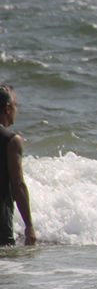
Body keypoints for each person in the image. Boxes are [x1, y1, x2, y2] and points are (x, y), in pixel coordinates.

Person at [1, 84, 36, 246]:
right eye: (16, 105)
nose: (17, 110)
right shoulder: (11, 141)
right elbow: (18, 186)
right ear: (8, 109)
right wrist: (29, 227)